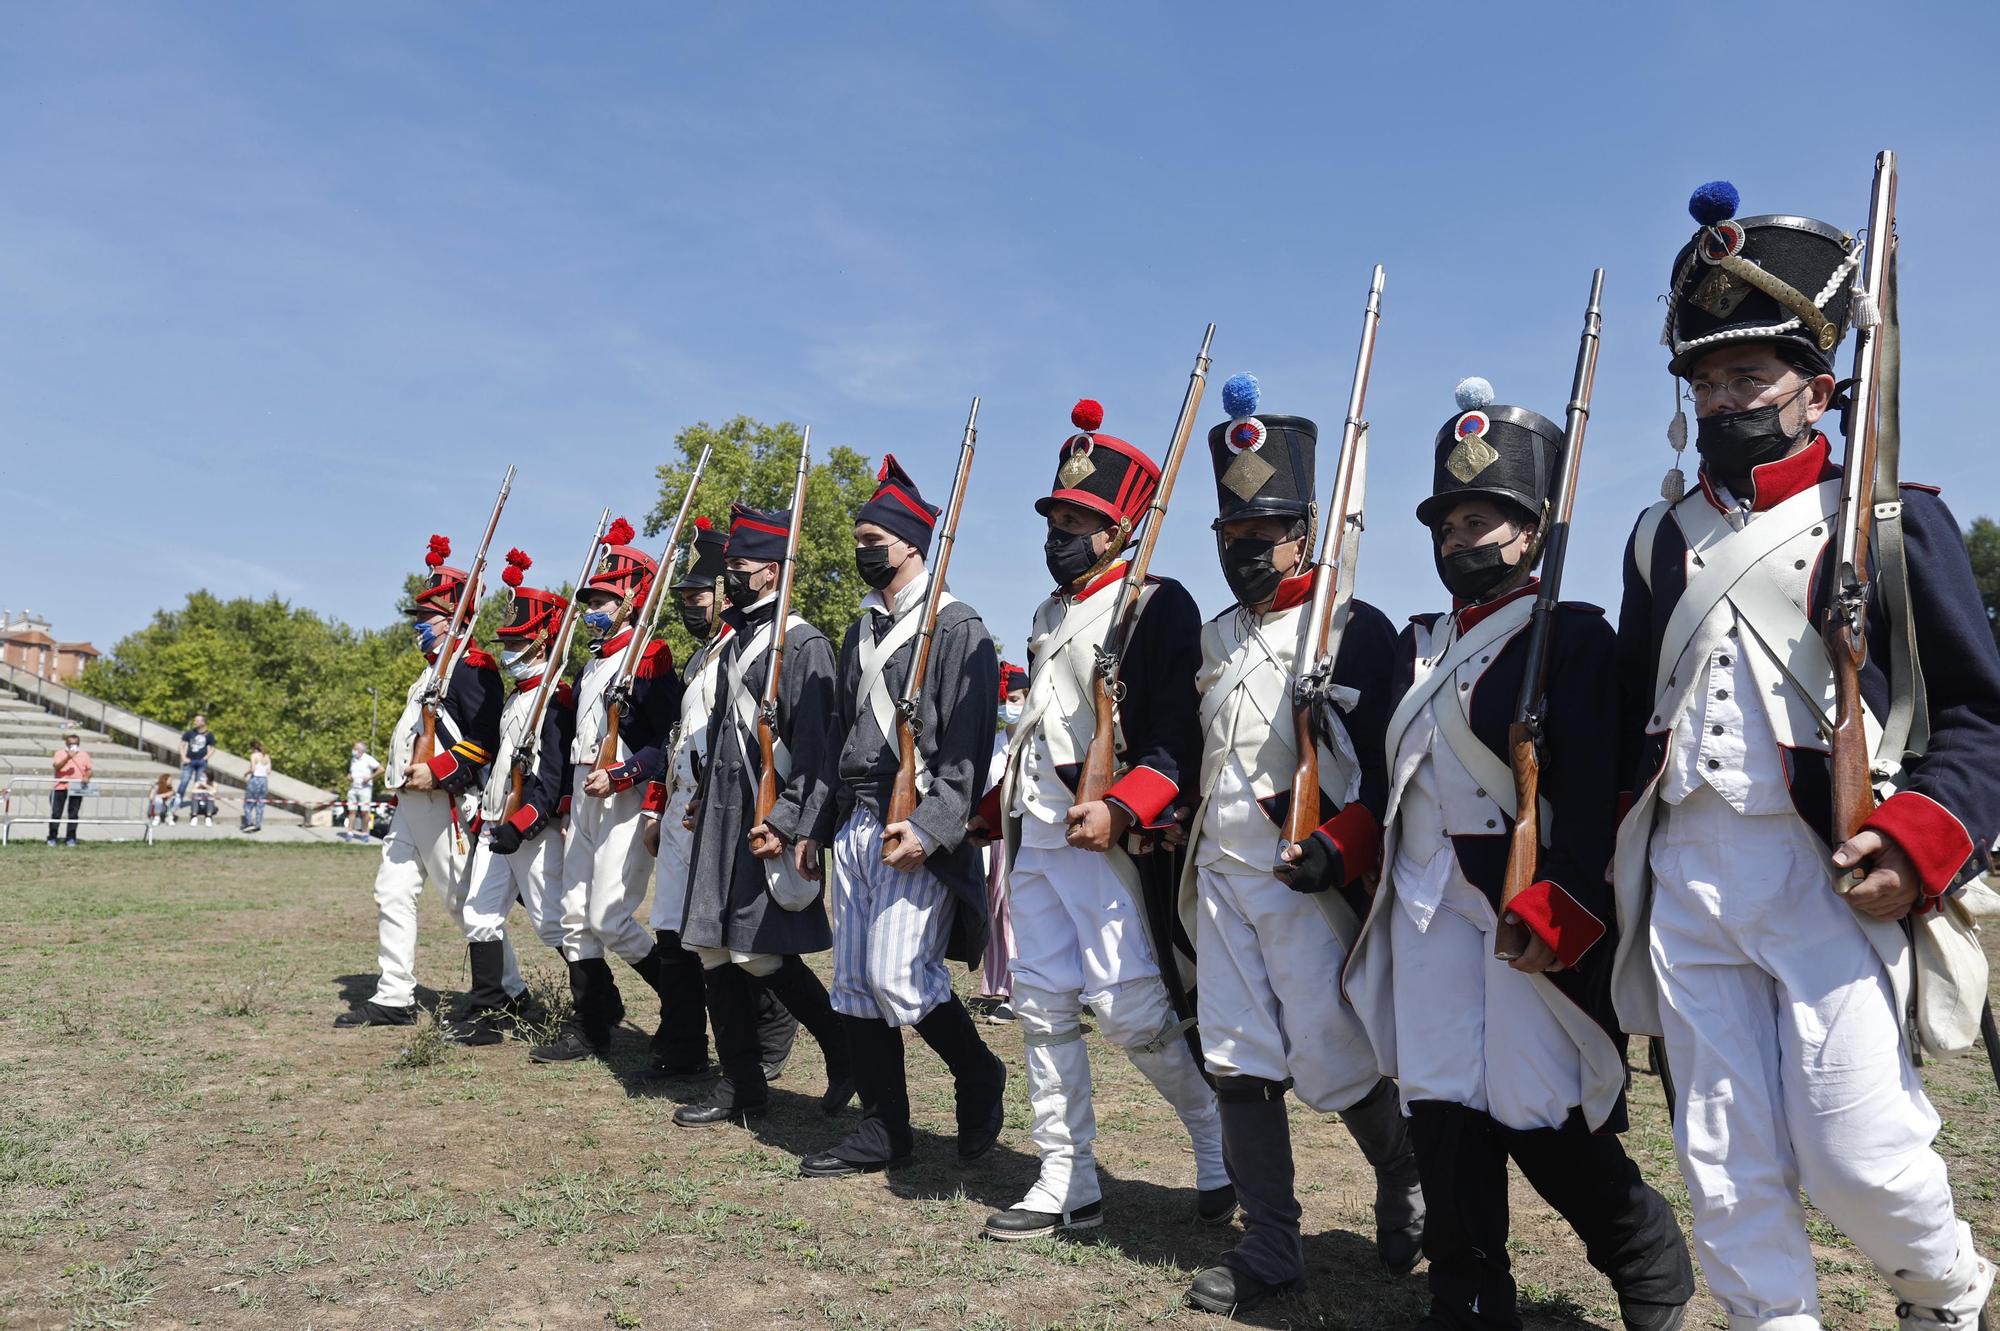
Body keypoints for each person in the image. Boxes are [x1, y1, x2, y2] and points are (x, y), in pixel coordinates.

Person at [1610, 181, 2000, 1329]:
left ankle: (1948, 1293)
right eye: (1706, 380)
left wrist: (1916, 836)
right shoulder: (1655, 539)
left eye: (1748, 378)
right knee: (1721, 1157)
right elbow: (1626, 720)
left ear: (1814, 389)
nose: (1724, 399)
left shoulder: (1883, 519)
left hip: (1826, 871)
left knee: (1856, 1153)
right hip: (1683, 870)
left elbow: (1980, 718)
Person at [1344, 377, 1692, 1330]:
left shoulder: (1573, 639)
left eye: (1485, 519)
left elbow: (1594, 797)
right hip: (1422, 913)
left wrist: (1567, 903)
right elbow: (1386, 784)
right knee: (1445, 1110)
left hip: (1520, 905)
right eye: (1449, 524)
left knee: (1538, 1108)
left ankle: (1645, 1256)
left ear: (1533, 532)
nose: (1463, 539)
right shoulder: (1415, 649)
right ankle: (1465, 1292)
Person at [1176, 374, 1424, 1316]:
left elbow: (1392, 771)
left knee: (1334, 1058)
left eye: (1262, 534)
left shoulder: (1355, 632)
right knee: (1237, 1062)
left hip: (1305, 882)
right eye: (1231, 537)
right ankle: (1269, 1249)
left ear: (1305, 532)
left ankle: (1402, 1177)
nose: (1245, 553)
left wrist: (1337, 846)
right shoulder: (1213, 637)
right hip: (1223, 878)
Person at [973, 399, 1229, 1243]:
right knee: (1042, 1008)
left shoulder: (1158, 604)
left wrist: (1125, 809)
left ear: (1121, 528)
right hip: (1037, 836)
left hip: (1103, 840)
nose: (1061, 532)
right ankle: (1066, 1177)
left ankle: (1213, 1133)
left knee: (1131, 1014)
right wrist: (993, 805)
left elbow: (1173, 734)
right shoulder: (1052, 613)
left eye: (1081, 519)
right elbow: (1035, 722)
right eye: (1057, 516)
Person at [796, 457, 1007, 1179]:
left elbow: (969, 746)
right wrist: (811, 830)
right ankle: (884, 1128)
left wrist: (931, 826)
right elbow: (838, 740)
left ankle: (979, 1073)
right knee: (853, 980)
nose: (862, 549)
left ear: (911, 543)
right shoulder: (862, 630)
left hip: (915, 826)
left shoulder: (959, 626)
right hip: (857, 819)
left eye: (871, 537)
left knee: (897, 976)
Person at [671, 501, 855, 1127]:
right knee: (714, 952)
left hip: (762, 815)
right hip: (719, 812)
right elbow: (725, 727)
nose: (733, 574)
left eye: (743, 564)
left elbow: (817, 750)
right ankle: (741, 1087)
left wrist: (788, 823)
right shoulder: (737, 643)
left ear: (774, 570)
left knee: (757, 956)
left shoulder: (800, 643)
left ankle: (845, 1050)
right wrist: (697, 798)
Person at [638, 516, 798, 1080]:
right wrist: (657, 807)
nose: (692, 603)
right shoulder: (702, 656)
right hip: (689, 804)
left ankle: (773, 1026)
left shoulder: (747, 647)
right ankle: (683, 1038)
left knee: (739, 936)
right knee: (673, 930)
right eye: (684, 594)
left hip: (731, 801)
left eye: (698, 592)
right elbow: (678, 740)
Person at [336, 533, 515, 1029]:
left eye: (427, 618)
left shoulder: (471, 667)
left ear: (454, 617)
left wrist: (437, 770)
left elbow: (484, 740)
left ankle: (510, 991)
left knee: (466, 903)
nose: (419, 626)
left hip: (446, 801)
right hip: (410, 804)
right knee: (391, 891)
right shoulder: (432, 672)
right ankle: (395, 994)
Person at [529, 519, 688, 1064]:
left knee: (610, 919)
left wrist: (622, 776)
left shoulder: (652, 657)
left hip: (624, 800)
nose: (592, 605)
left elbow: (668, 743)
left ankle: (688, 1006)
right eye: (591, 597)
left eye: (603, 597)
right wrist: (573, 801)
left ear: (631, 601)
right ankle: (591, 1025)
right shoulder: (595, 662)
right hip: (585, 797)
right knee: (573, 916)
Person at [451, 548, 575, 1046]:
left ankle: (599, 1007)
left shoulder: (556, 698)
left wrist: (519, 823)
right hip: (496, 822)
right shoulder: (517, 695)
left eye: (519, 641)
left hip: (530, 828)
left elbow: (552, 779)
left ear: (543, 642)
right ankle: (487, 1016)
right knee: (479, 915)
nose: (508, 649)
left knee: (551, 925)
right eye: (507, 641)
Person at [968, 661, 1028, 1023]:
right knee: (996, 911)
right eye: (1006, 699)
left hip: (1022, 832)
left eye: (1017, 698)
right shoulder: (991, 745)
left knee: (1017, 909)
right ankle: (1002, 984)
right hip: (993, 835)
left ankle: (1023, 989)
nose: (1011, 705)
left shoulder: (1035, 740)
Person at [48, 732, 91, 845]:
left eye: (76, 744)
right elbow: (57, 767)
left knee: (73, 813)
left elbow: (89, 769)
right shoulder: (59, 753)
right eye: (71, 743)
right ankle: (52, 837)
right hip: (60, 786)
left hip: (76, 787)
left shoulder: (84, 755)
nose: (73, 746)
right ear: (66, 743)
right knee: (56, 813)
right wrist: (68, 757)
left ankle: (71, 837)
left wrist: (86, 777)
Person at [346, 741, 384, 841]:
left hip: (365, 789)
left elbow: (381, 769)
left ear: (361, 750)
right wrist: (349, 776)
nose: (353, 750)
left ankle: (365, 833)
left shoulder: (368, 759)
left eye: (355, 748)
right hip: (353, 788)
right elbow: (351, 772)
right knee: (351, 811)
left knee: (364, 812)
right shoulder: (353, 759)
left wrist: (370, 777)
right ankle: (349, 832)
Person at [176, 714, 214, 811]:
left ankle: (198, 803)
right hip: (189, 761)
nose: (195, 722)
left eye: (197, 721)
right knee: (184, 781)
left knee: (199, 783)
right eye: (195, 720)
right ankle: (177, 800)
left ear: (203, 722)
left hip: (201, 762)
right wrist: (183, 757)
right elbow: (182, 745)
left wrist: (205, 758)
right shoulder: (189, 733)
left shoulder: (209, 735)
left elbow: (212, 749)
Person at [241, 741, 272, 832]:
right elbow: (269, 771)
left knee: (248, 804)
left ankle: (250, 823)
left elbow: (253, 769)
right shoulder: (267, 756)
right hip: (264, 781)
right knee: (260, 804)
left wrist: (245, 774)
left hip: (255, 780)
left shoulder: (253, 755)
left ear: (253, 748)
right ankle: (258, 824)